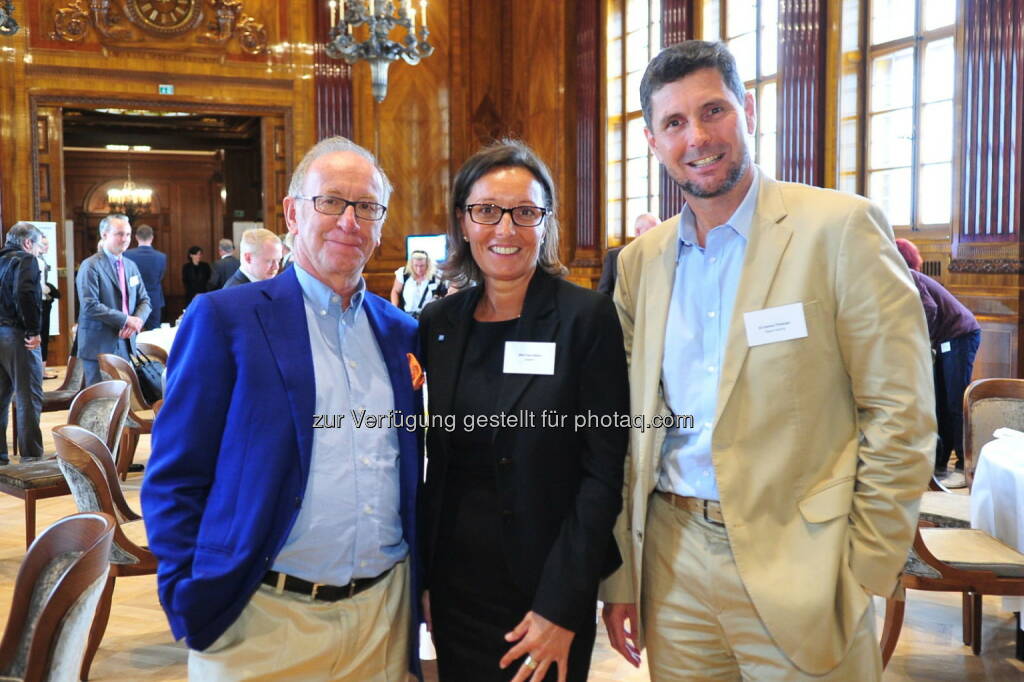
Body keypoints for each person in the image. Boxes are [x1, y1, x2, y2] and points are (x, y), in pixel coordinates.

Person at [600, 41, 934, 681]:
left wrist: (866, 563)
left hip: (803, 562)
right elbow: (627, 425)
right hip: (671, 563)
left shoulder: (840, 229)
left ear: (748, 110)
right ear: (652, 139)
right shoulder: (641, 264)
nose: (697, 137)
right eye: (674, 123)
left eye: (713, 111)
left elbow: (902, 410)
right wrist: (623, 576)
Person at [141, 136, 423, 681]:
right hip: (259, 622)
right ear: (293, 213)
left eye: (367, 207)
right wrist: (188, 595)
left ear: (381, 223)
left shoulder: (401, 333)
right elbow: (176, 474)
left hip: (382, 620)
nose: (349, 221)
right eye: (332, 201)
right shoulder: (226, 319)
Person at [419, 140, 628, 682]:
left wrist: (563, 604)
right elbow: (431, 467)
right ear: (464, 222)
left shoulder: (586, 319)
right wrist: (421, 580)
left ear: (546, 222)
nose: (505, 229)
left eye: (524, 212)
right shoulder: (439, 324)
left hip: (546, 588)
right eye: (486, 211)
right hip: (454, 587)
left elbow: (602, 473)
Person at [897, 238, 981, 489]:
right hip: (943, 340)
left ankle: (964, 464)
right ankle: (940, 462)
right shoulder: (897, 275)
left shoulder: (906, 274)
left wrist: (923, 342)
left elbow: (929, 309)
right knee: (940, 402)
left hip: (960, 335)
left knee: (956, 400)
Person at [76, 214, 151, 387]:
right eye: (119, 234)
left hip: (126, 341)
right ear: (104, 235)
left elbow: (145, 300)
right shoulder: (91, 265)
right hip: (99, 344)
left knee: (124, 398)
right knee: (101, 402)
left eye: (128, 234)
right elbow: (90, 305)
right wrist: (126, 320)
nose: (125, 239)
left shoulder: (131, 265)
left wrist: (136, 321)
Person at [0, 222, 45, 463]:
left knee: (1, 398)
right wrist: (33, 330)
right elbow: (25, 293)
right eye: (38, 246)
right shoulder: (26, 260)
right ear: (28, 242)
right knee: (28, 398)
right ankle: (31, 459)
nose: (39, 251)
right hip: (18, 336)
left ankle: (0, 456)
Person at [596, 213, 659, 296]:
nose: (657, 236)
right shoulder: (614, 256)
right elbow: (603, 293)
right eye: (653, 231)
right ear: (638, 231)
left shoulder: (662, 256)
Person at [124, 224, 167, 330]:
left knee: (132, 333)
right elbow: (161, 277)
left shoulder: (127, 255)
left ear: (136, 237)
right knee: (154, 332)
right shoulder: (161, 257)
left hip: (134, 299)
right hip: (154, 299)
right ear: (152, 238)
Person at [389, 249, 446, 317]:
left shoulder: (436, 276)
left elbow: (443, 295)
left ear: (428, 264)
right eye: (415, 265)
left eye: (422, 266)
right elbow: (395, 291)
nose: (419, 269)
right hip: (407, 314)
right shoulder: (403, 274)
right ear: (411, 264)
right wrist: (395, 309)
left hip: (429, 315)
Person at [36, 235, 60, 379]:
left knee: (43, 335)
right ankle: (41, 371)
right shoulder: (37, 261)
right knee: (42, 335)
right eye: (44, 244)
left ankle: (41, 370)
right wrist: (50, 291)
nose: (47, 247)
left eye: (48, 244)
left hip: (43, 301)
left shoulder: (40, 259)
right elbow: (40, 286)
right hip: (41, 303)